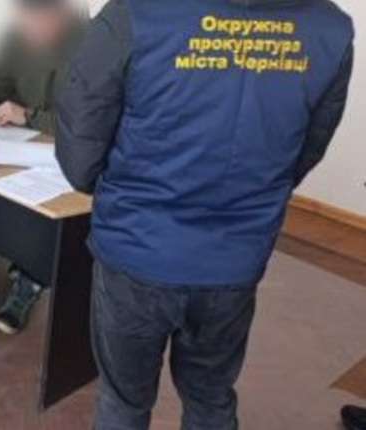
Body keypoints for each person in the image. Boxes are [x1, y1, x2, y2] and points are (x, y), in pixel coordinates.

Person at [56, 0, 354, 428]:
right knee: (210, 398)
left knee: (123, 401)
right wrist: (255, 197)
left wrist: (105, 185)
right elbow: (307, 150)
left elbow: (81, 144)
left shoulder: (136, 13)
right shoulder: (331, 29)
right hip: (235, 259)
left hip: (137, 249)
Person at [0, 0, 85, 335]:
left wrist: (29, 116)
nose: (29, 32)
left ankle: (30, 280)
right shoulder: (18, 34)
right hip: (19, 145)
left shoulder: (91, 44)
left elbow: (88, 119)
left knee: (44, 211)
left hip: (65, 152)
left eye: (37, 23)